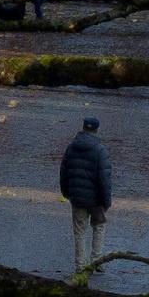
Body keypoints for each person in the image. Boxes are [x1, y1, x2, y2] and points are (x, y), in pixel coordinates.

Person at [58, 116, 113, 270]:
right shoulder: (100, 150)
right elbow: (104, 179)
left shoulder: (71, 148)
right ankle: (96, 261)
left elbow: (63, 172)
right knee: (99, 227)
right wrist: (106, 201)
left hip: (77, 198)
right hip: (95, 200)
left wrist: (67, 193)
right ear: (96, 130)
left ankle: (80, 266)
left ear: (83, 128)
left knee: (79, 231)